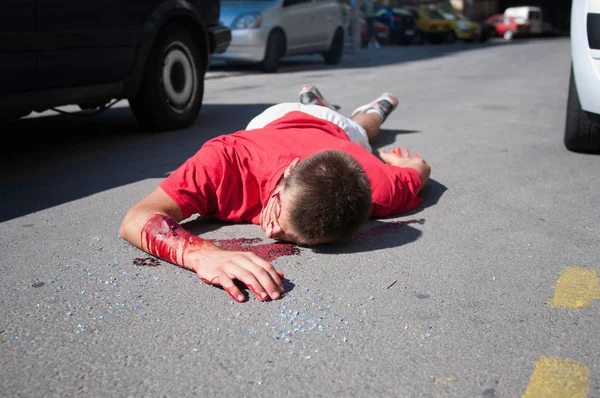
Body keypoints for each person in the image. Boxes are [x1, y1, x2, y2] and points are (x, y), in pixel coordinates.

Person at [119, 85, 431, 303]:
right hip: (277, 120)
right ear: (286, 173)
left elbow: (419, 169)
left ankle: (369, 108)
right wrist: (204, 256)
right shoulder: (226, 160)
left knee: (362, 131)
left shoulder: (381, 189)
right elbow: (137, 219)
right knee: (361, 129)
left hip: (341, 136)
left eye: (291, 237)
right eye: (279, 213)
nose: (271, 231)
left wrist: (406, 166)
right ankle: (328, 105)